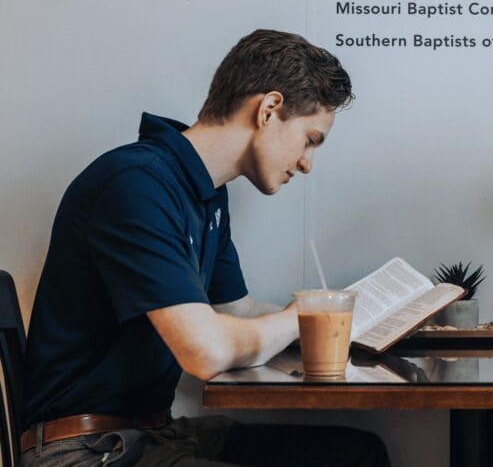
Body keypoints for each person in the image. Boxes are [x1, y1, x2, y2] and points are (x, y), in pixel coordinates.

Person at [23, 30, 391, 467]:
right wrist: (303, 318)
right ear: (269, 109)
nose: (308, 162)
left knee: (358, 455)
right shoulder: (136, 185)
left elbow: (235, 312)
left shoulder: (207, 195)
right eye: (310, 139)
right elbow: (206, 351)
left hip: (154, 434)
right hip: (84, 450)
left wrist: (345, 323)